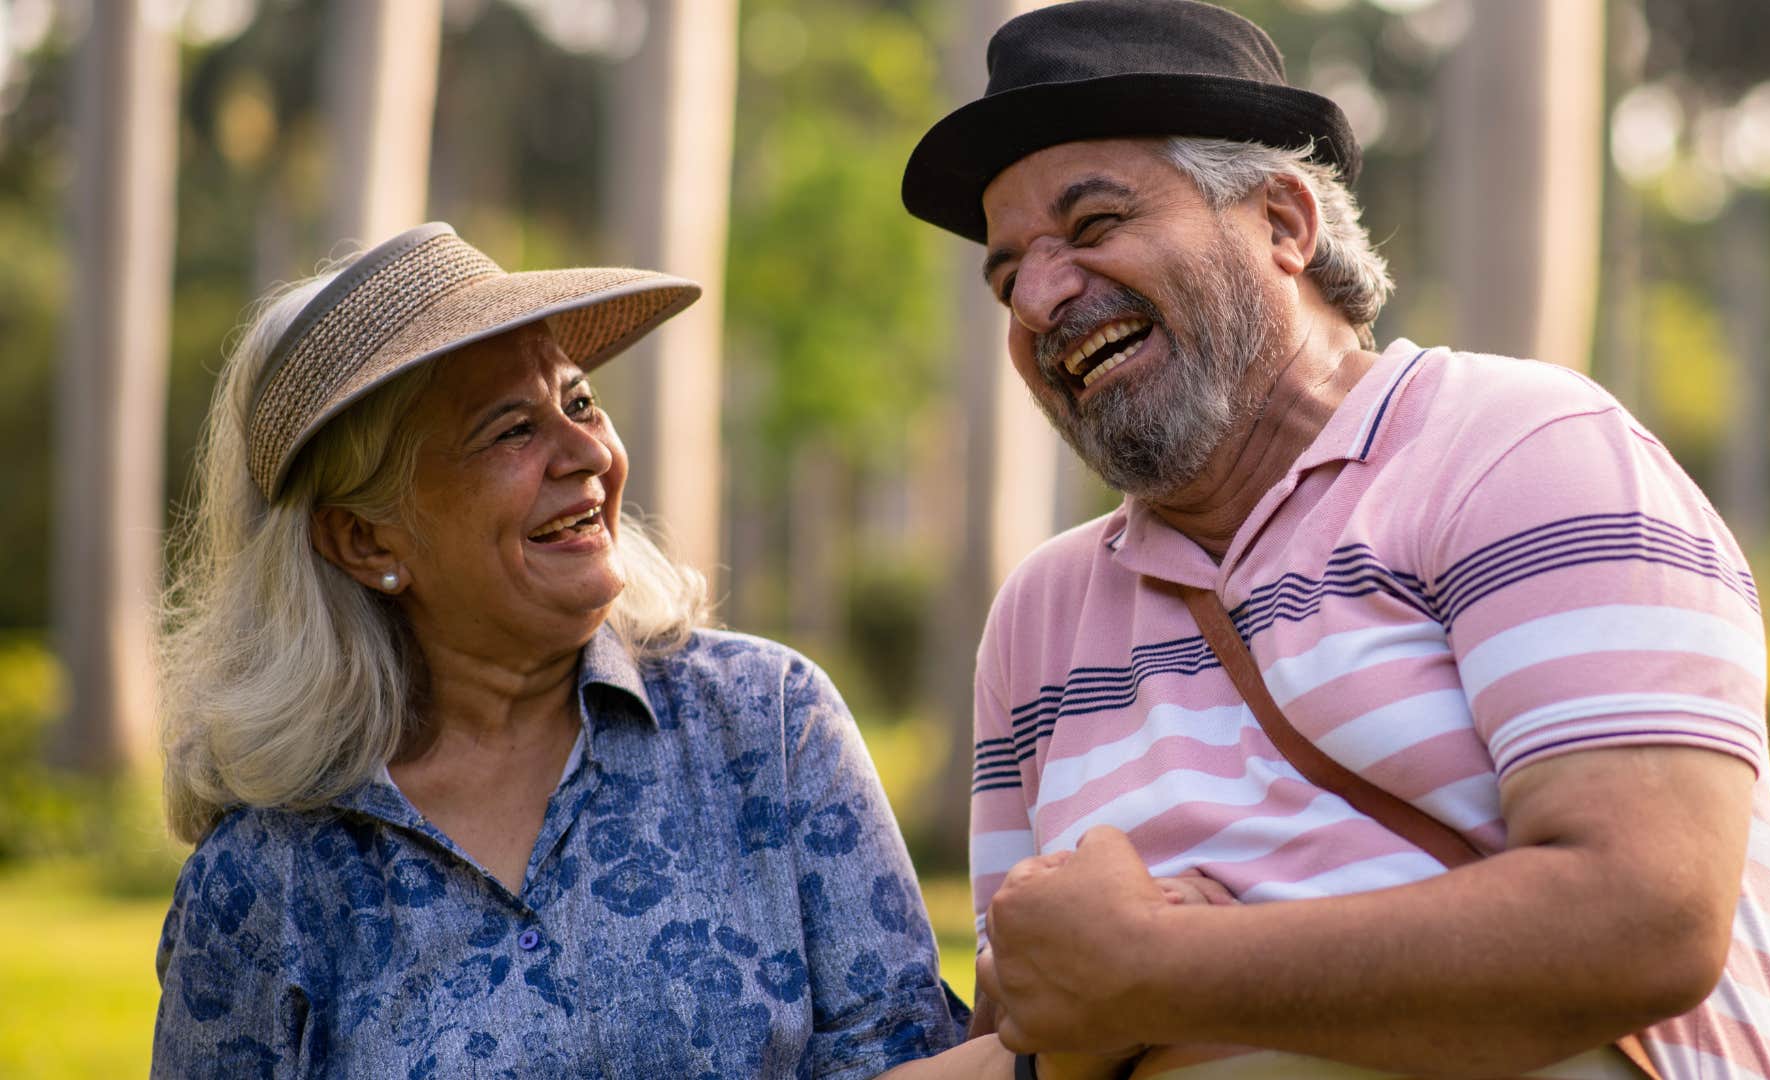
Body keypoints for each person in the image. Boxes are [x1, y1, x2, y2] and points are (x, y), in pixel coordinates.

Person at [900, 2, 1770, 1077]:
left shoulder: (1519, 448)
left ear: (1284, 222)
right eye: (1009, 275)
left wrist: (1162, 962)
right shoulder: (1040, 617)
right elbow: (1037, 1015)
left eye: (1093, 227)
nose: (1042, 296)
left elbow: (1645, 919)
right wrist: (1078, 986)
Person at [151, 222, 1141, 1079]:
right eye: (508, 430)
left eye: (580, 404)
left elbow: (901, 1062)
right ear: (365, 541)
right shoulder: (263, 880)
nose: (584, 453)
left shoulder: (766, 723)